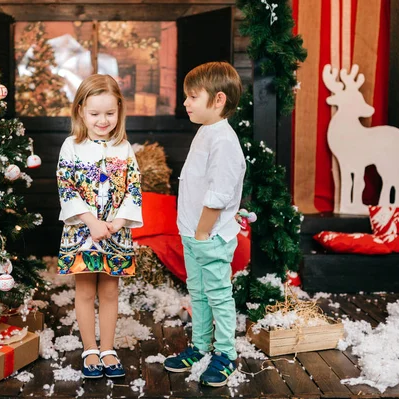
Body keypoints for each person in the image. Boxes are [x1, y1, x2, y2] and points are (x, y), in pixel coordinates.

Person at [164, 62, 245, 387]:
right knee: (197, 293)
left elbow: (220, 193)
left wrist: (201, 231)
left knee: (218, 295)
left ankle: (225, 354)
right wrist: (190, 231)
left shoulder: (224, 141)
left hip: (209, 235)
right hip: (193, 234)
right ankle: (200, 346)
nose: (186, 102)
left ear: (219, 100)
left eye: (193, 96)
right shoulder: (205, 131)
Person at [56, 74, 143, 379]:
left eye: (110, 113)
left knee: (109, 291)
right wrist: (91, 222)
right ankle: (89, 348)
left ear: (119, 110)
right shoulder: (72, 146)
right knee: (84, 292)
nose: (102, 120)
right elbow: (66, 186)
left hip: (115, 234)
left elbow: (134, 187)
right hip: (82, 231)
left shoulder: (124, 148)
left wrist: (117, 222)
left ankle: (108, 348)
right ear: (80, 111)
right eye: (95, 114)